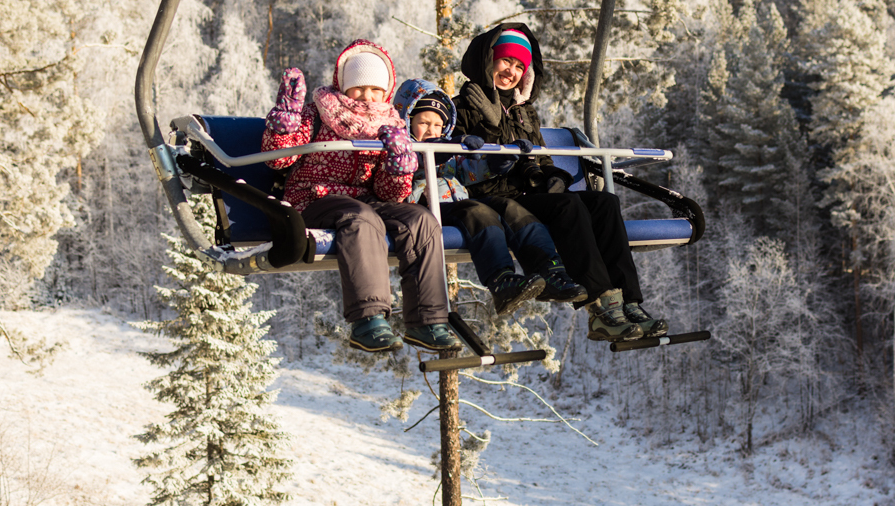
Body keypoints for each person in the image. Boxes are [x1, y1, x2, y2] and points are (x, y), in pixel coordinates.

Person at [451, 23, 669, 342]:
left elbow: (543, 158)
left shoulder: (525, 113)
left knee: (605, 202)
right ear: (488, 60)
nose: (510, 71)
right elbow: (457, 167)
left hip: (531, 194)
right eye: (505, 61)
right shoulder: (463, 107)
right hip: (494, 199)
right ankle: (600, 306)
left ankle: (627, 301)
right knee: (568, 205)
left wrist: (552, 176)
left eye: (518, 66)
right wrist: (493, 149)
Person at [261, 40, 460, 353]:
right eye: (359, 89)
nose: (368, 98)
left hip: (368, 200)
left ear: (386, 92)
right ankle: (368, 321)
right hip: (314, 198)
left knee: (421, 220)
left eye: (376, 91)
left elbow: (389, 194)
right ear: (343, 86)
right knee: (361, 218)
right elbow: (277, 159)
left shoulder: (391, 125)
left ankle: (427, 320)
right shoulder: (317, 114)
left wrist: (398, 167)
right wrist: (284, 121)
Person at [394, 78, 587, 317]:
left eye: (437, 125)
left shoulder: (446, 149)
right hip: (426, 206)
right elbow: (409, 170)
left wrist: (498, 161)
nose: (432, 131)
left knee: (508, 206)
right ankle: (500, 279)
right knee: (478, 212)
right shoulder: (402, 148)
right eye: (424, 123)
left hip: (459, 202)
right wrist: (444, 149)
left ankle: (550, 269)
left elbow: (469, 171)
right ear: (407, 121)